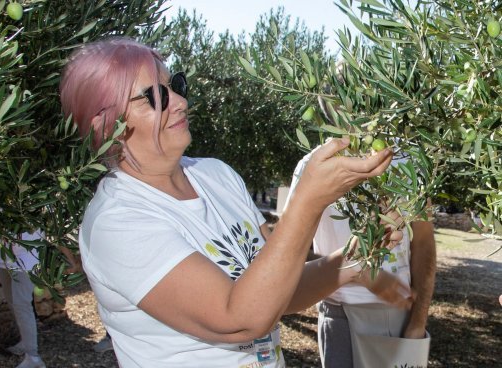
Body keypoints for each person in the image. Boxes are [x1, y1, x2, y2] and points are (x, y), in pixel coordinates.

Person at [59, 37, 412, 367]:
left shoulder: (217, 176)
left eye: (175, 86)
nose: (181, 102)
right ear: (107, 125)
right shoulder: (118, 221)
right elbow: (240, 320)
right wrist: (308, 200)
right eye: (155, 96)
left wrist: (350, 262)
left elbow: (276, 294)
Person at [285, 150, 436, 368]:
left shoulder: (410, 159)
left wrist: (418, 321)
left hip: (398, 316)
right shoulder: (312, 166)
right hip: (336, 316)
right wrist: (360, 272)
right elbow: (288, 254)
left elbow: (424, 244)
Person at [0, 230, 46, 368]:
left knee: (22, 304)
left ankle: (33, 357)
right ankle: (25, 342)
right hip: (4, 261)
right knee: (13, 303)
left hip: (28, 261)